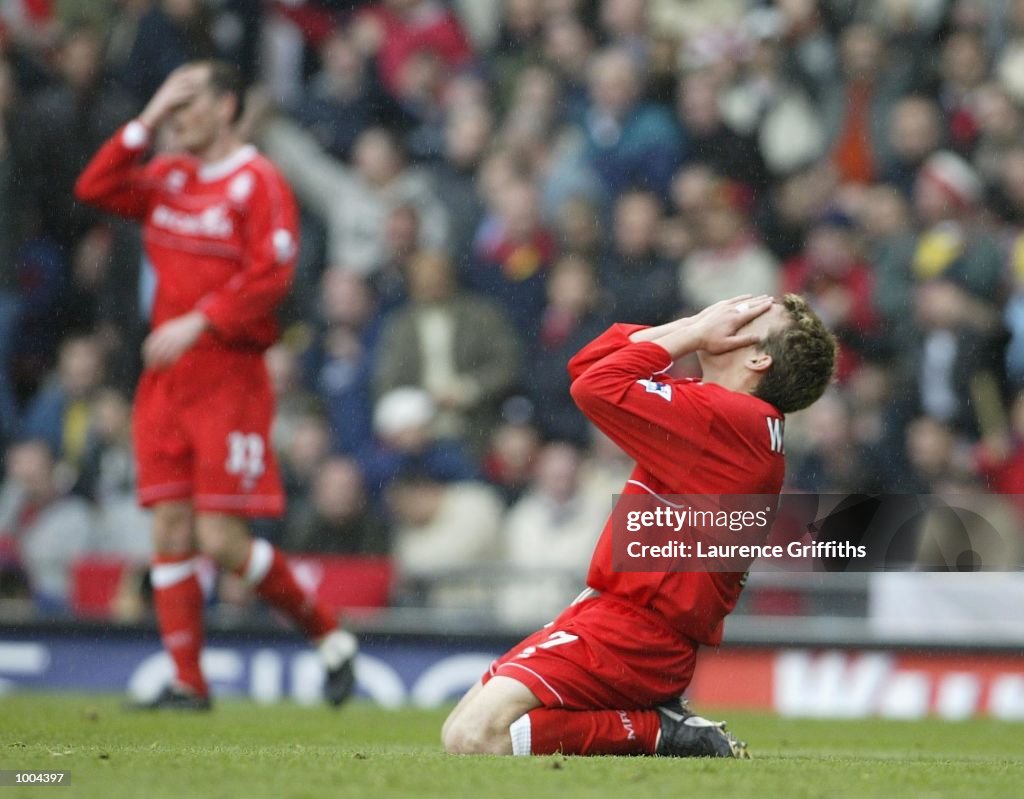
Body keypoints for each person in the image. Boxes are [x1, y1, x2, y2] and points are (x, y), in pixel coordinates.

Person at [74, 61, 357, 710]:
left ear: (227, 106)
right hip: (165, 379)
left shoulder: (258, 182)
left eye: (189, 103)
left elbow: (272, 276)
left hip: (228, 376)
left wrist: (200, 319)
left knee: (219, 539)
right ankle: (187, 682)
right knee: (168, 528)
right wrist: (145, 117)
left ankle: (329, 632)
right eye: (172, 106)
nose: (179, 116)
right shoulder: (168, 175)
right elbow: (94, 187)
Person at [442, 293, 836, 757]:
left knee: (473, 738)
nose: (728, 311)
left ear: (758, 355)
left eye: (747, 314)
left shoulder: (732, 419)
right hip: (616, 617)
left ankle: (658, 732)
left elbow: (593, 386)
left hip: (639, 633)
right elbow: (589, 366)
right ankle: (654, 725)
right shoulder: (727, 415)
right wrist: (694, 324)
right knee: (462, 725)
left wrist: (691, 332)